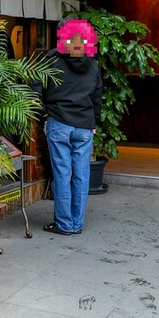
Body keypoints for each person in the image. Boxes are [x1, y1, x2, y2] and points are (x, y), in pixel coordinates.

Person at [32, 19, 102, 235]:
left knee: (62, 174)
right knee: (81, 174)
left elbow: (34, 88)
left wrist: (43, 114)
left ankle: (64, 224)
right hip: (84, 126)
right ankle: (76, 224)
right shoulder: (93, 64)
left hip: (59, 123)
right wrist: (94, 121)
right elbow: (97, 97)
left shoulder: (50, 61)